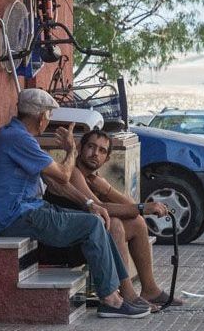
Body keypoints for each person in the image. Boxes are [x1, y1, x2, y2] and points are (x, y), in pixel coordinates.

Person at [0, 88, 150, 319]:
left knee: (95, 219)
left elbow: (54, 183)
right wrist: (71, 150)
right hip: (15, 217)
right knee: (92, 226)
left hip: (27, 211)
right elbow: (63, 175)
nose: (49, 120)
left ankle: (122, 295)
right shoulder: (17, 139)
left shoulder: (16, 136)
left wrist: (90, 204)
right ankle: (111, 299)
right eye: (49, 115)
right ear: (41, 116)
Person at [43, 129, 184, 311]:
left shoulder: (92, 178)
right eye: (91, 147)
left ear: (107, 159)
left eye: (102, 151)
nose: (95, 153)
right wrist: (143, 207)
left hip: (84, 240)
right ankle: (127, 295)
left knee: (137, 223)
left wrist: (107, 189)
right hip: (60, 245)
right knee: (115, 224)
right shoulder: (74, 173)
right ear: (80, 148)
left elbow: (131, 208)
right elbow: (100, 208)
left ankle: (150, 290)